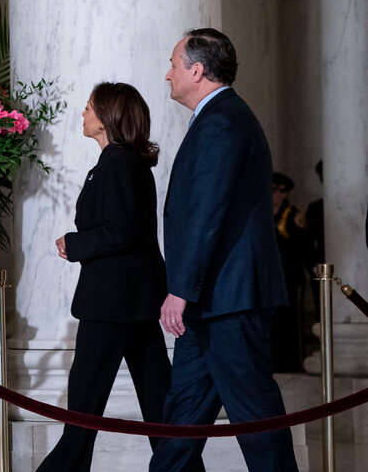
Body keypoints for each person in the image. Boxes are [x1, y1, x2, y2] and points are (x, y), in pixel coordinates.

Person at [149, 28, 298, 472]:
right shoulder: (218, 119)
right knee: (182, 422)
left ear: (197, 70)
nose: (168, 74)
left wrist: (180, 288)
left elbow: (206, 214)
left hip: (229, 300)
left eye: (174, 64)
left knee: (256, 418)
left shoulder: (223, 121)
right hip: (212, 302)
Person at [37, 82, 171, 472]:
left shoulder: (118, 163)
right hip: (134, 300)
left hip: (113, 302)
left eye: (90, 107)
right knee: (159, 404)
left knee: (84, 410)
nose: (83, 113)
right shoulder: (121, 162)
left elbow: (121, 230)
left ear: (107, 117)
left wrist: (75, 244)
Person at [270, 172, 308, 372]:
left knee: (291, 322)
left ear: (285, 194)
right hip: (270, 278)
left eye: (280, 190)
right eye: (272, 189)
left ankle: (293, 364)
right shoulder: (263, 214)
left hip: (290, 277)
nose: (275, 194)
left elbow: (303, 247)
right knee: (272, 322)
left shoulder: (293, 216)